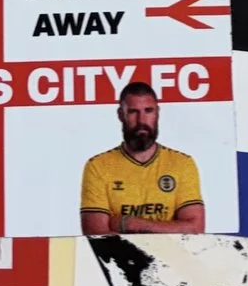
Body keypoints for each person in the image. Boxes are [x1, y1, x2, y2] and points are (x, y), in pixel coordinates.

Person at [78, 82, 205, 236]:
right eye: (133, 112)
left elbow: (195, 229)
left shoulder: (182, 164)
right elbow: (96, 235)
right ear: (121, 115)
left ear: (157, 113)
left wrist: (130, 223)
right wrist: (170, 229)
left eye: (148, 111)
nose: (141, 121)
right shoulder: (98, 166)